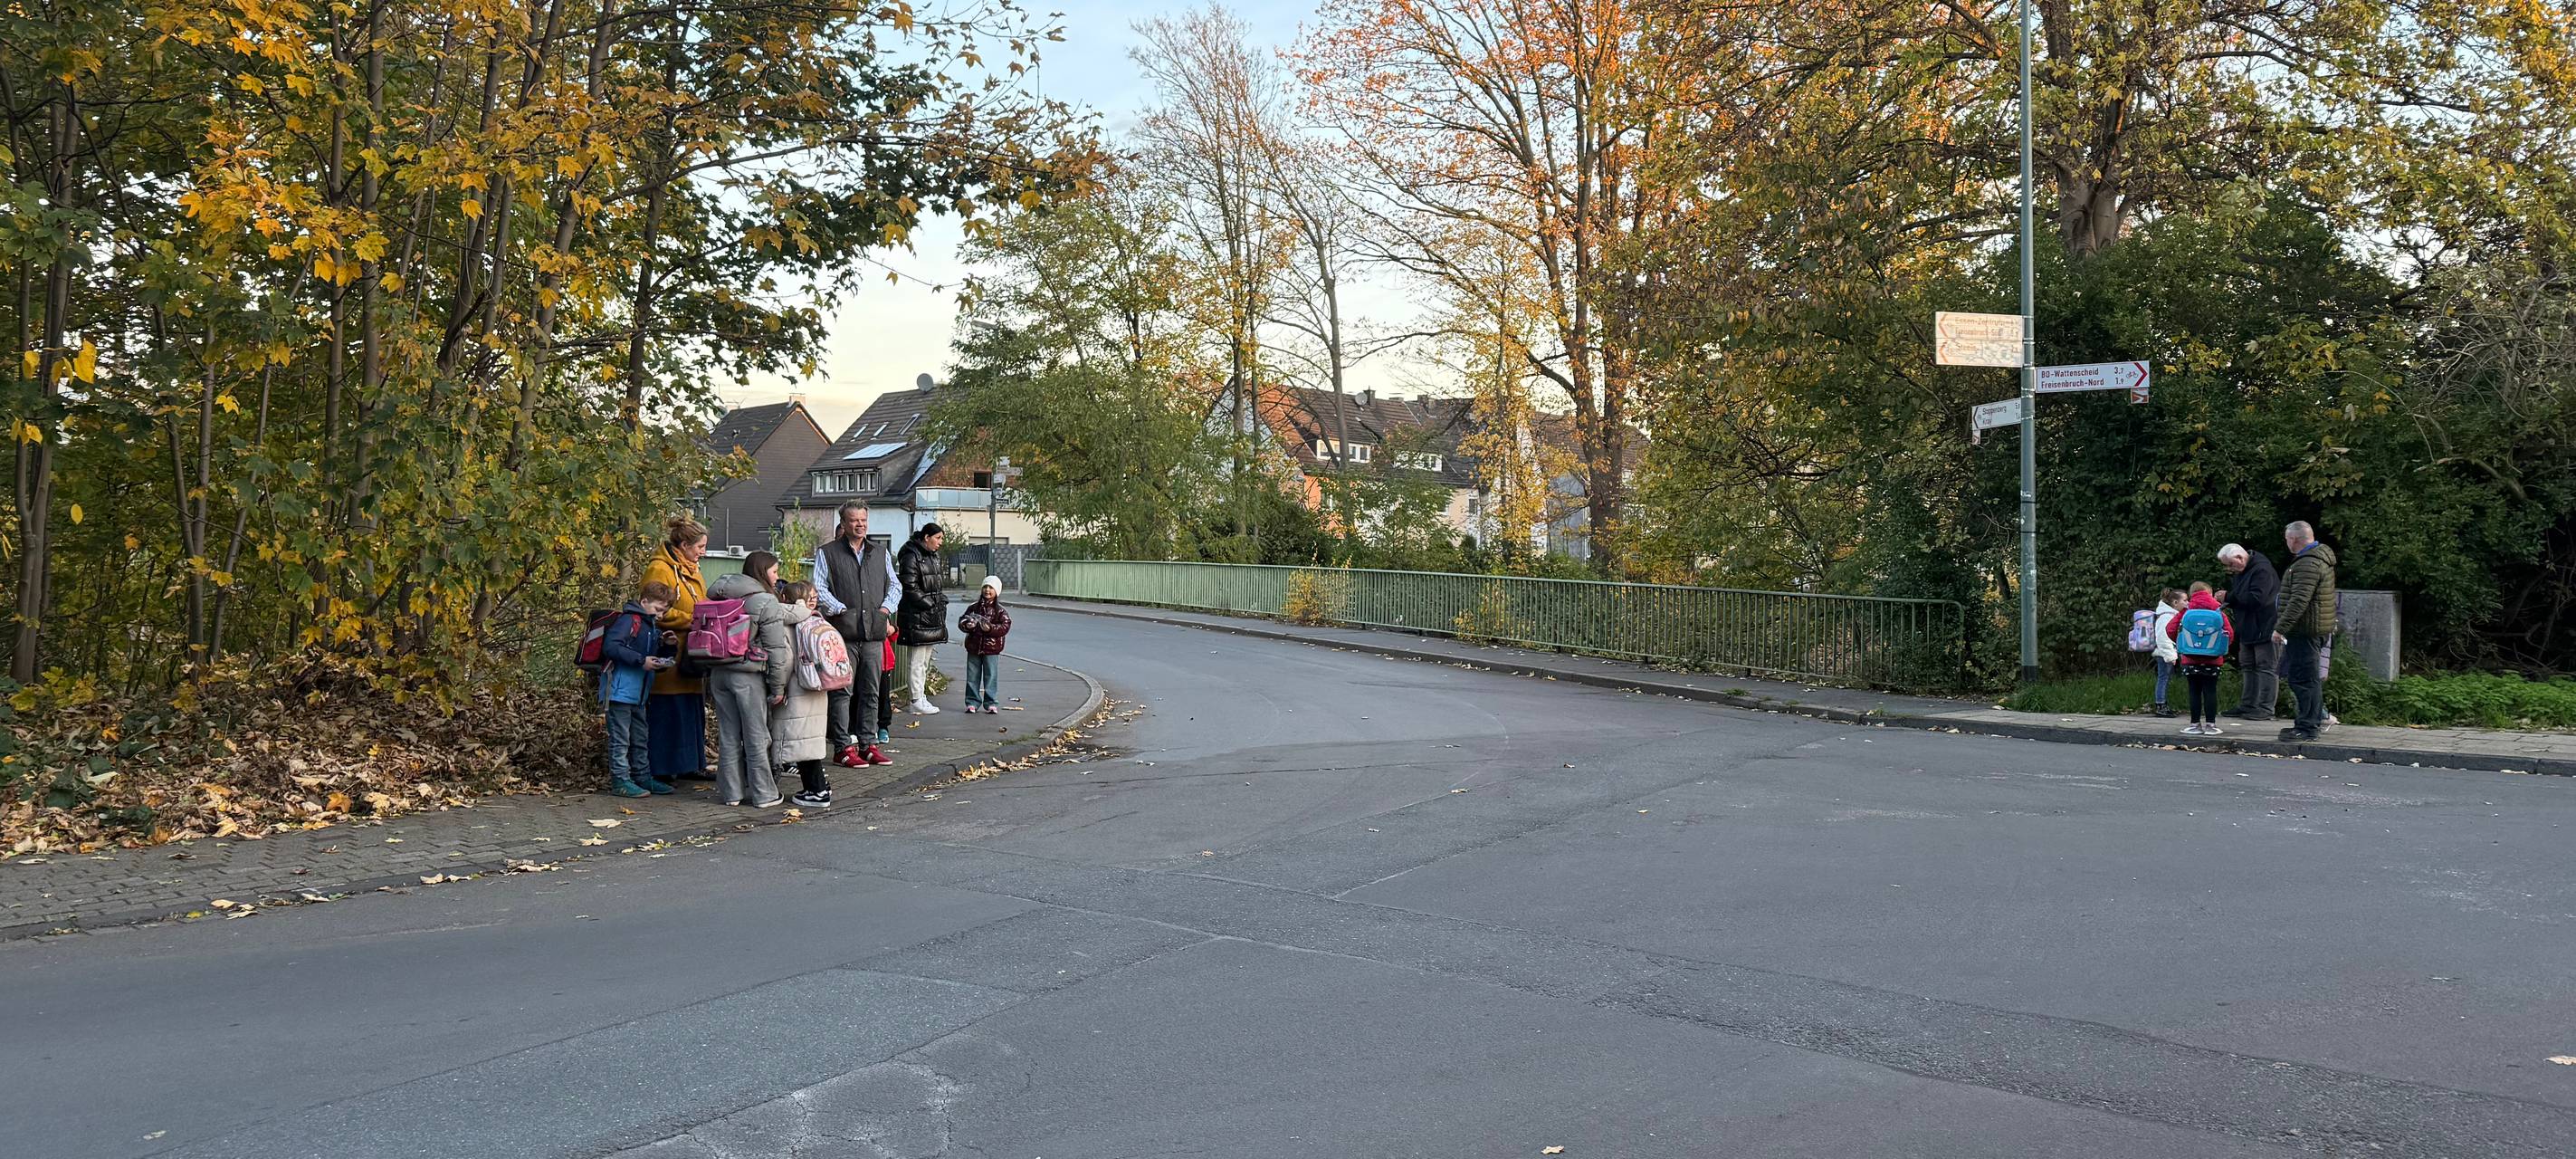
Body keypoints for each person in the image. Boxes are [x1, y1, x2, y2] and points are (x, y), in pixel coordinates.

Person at [703, 551, 804, 808]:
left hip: (718, 673)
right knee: (756, 735)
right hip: (747, 676)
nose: (777, 576)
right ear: (762, 572)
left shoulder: (717, 593)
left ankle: (731, 794)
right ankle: (764, 794)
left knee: (727, 734)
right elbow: (775, 651)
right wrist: (778, 686)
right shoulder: (764, 601)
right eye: (774, 571)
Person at [811, 502, 898, 765]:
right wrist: (841, 610)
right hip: (842, 635)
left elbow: (895, 584)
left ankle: (868, 744)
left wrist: (885, 609)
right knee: (842, 692)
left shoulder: (880, 553)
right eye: (854, 520)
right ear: (843, 523)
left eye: (863, 520)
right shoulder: (827, 553)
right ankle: (842, 747)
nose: (860, 525)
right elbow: (818, 586)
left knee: (871, 691)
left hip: (873, 633)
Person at [640, 516, 711, 782]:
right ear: (683, 544)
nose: (703, 553)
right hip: (670, 649)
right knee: (668, 710)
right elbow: (654, 610)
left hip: (692, 654)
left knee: (690, 708)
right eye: (699, 547)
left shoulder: (693, 570)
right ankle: (662, 768)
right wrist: (692, 621)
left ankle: (689, 764)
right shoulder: (660, 570)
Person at [598, 580, 680, 797]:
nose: (660, 616)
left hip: (639, 694)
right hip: (619, 691)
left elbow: (653, 658)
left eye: (664, 612)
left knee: (640, 737)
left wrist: (669, 648)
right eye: (657, 610)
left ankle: (643, 776)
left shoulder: (650, 626)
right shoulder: (629, 621)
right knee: (621, 739)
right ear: (644, 602)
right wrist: (640, 660)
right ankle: (621, 780)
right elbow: (611, 646)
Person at [771, 580, 838, 807]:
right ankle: (820, 785)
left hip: (797, 689)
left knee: (800, 741)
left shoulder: (786, 625)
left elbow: (785, 662)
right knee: (810, 740)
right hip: (818, 686)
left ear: (783, 600)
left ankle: (816, 791)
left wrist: (777, 689)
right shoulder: (814, 618)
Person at [2273, 521, 2340, 742]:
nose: (2286, 543)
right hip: (2314, 628)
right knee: (2308, 679)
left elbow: (2299, 600)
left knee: (2303, 680)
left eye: (2286, 539)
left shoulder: (2307, 564)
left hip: (2305, 631)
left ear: (2294, 539)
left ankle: (2307, 727)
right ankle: (2307, 723)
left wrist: (2281, 628)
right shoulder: (2319, 559)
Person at [2216, 542, 2280, 721]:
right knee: (2248, 665)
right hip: (2248, 627)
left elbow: (2257, 598)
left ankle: (2265, 708)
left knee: (2266, 667)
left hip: (2264, 626)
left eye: (2230, 565)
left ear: (2240, 558)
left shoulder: (2262, 571)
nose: (2230, 569)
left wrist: (2229, 597)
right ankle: (2248, 705)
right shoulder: (2244, 571)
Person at [894, 522, 949, 714]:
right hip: (917, 615)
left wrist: (938, 602)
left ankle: (920, 696)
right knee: (917, 660)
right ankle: (916, 698)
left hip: (929, 615)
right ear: (927, 537)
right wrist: (930, 604)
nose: (940, 543)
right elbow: (909, 587)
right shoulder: (911, 556)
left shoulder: (931, 556)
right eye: (938, 538)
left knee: (924, 660)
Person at [2166, 581, 2235, 736]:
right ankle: (2211, 725)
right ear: (2209, 593)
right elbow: (2229, 634)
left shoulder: (2186, 611)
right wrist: (2218, 648)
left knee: (2194, 691)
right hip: (2213, 659)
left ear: (2191, 594)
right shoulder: (2218, 611)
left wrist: (2182, 643)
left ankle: (2195, 725)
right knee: (2210, 691)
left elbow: (2170, 629)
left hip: (2190, 659)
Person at [957, 575, 1013, 714]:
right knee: (972, 675)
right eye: (985, 587)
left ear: (997, 591)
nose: (987, 590)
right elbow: (962, 621)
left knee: (991, 675)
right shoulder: (973, 608)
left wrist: (991, 629)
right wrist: (967, 625)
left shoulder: (1000, 611)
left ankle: (991, 702)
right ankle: (972, 702)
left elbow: (1004, 627)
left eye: (991, 588)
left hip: (992, 649)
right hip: (974, 647)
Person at [2149, 589, 2184, 719]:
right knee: (2163, 678)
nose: (2187, 603)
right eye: (2184, 600)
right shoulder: (2167, 617)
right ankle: (2161, 705)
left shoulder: (2169, 615)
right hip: (2164, 653)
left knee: (2165, 678)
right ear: (2175, 602)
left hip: (2165, 652)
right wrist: (2170, 656)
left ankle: (2163, 704)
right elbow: (2163, 638)